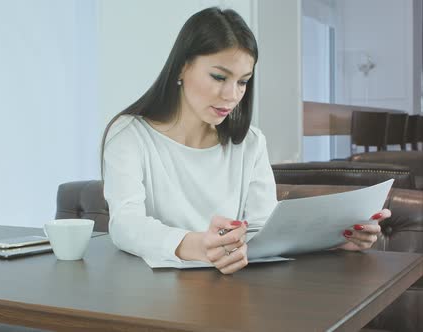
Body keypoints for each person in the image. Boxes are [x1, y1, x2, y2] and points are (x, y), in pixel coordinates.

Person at [101, 7, 390, 274]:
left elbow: (265, 231)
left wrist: (336, 240)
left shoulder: (250, 142)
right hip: (152, 298)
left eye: (242, 81)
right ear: (181, 67)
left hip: (234, 294)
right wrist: (197, 245)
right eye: (218, 76)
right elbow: (126, 225)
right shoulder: (130, 135)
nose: (231, 95)